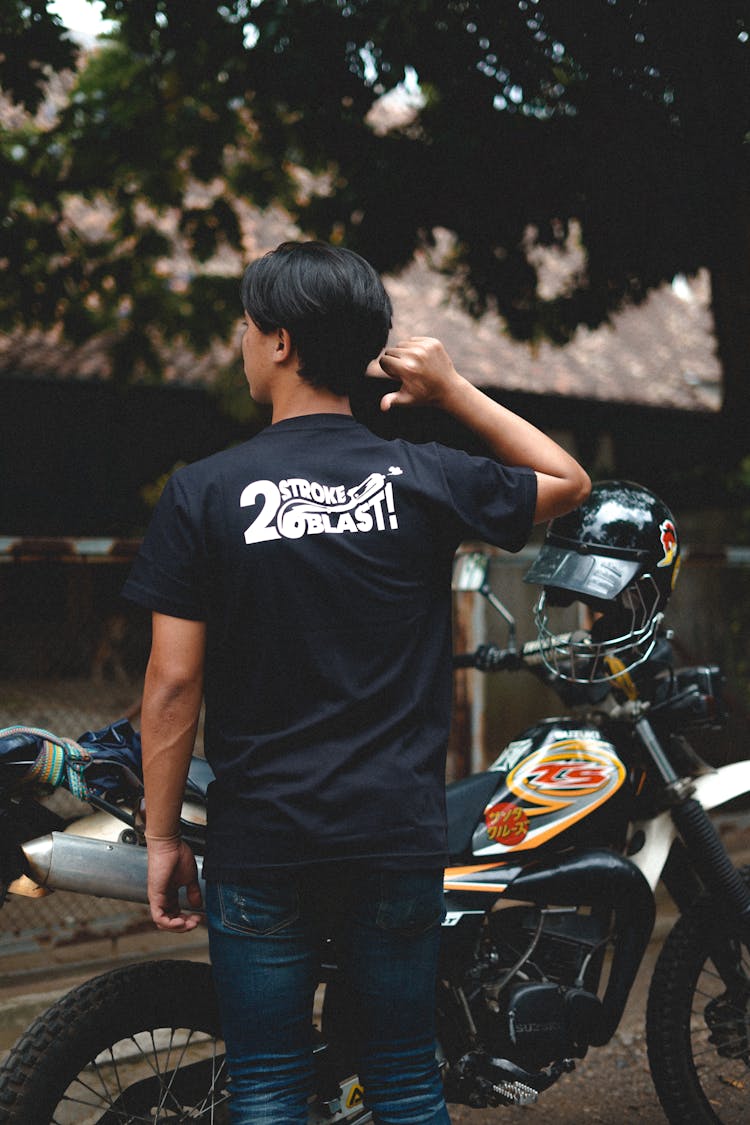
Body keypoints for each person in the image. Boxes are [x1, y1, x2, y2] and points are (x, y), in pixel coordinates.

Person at [122, 240, 590, 1125]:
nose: (243, 341)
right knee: (407, 1079)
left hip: (262, 838)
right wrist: (454, 395)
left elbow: (172, 685)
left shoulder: (204, 493)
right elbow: (567, 480)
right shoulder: (421, 476)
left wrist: (160, 837)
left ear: (284, 342)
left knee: (266, 1085)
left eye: (249, 325)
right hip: (394, 834)